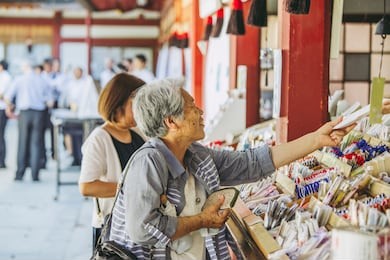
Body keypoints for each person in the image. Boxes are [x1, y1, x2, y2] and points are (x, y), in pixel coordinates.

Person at [108, 78, 355, 259]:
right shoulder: (149, 162)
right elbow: (141, 229)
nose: (201, 111)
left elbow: (254, 163)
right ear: (171, 121)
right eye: (192, 106)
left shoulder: (196, 156)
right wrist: (202, 220)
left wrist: (315, 140)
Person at [78, 73, 146, 250]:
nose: (142, 110)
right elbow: (86, 187)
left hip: (139, 225)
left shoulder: (138, 133)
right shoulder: (99, 138)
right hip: (113, 229)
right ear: (119, 103)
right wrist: (131, 190)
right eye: (137, 104)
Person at [4, 60, 54, 181]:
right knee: (36, 144)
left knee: (22, 142)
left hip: (24, 113)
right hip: (38, 114)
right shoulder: (41, 80)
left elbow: (7, 97)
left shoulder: (20, 79)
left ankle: (20, 173)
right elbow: (50, 100)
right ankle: (35, 174)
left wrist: (9, 108)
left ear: (25, 67)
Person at [0, 60, 11, 168]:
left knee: (0, 135)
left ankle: (1, 161)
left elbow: (1, 94)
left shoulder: (5, 77)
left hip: (2, 109)